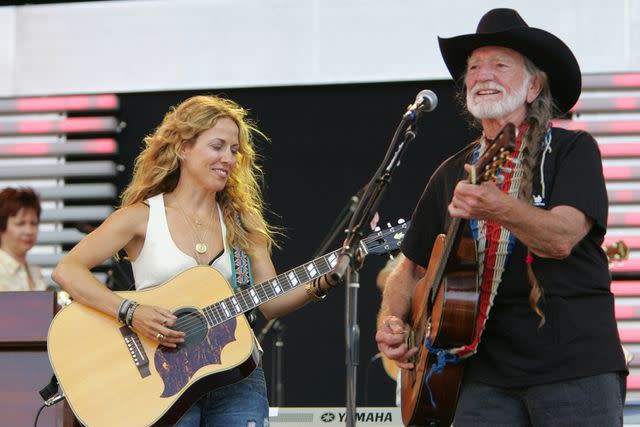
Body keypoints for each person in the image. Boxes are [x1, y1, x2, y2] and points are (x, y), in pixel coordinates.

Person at [376, 8, 627, 426]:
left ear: (533, 86)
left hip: (573, 369)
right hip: (478, 377)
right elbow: (409, 268)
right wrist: (392, 320)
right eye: (473, 67)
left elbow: (562, 238)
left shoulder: (571, 151)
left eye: (499, 64)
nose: (481, 74)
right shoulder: (450, 172)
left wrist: (499, 207)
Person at [52, 95, 336, 426]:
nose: (228, 158)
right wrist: (132, 312)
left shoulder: (243, 223)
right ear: (183, 148)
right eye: (217, 146)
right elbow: (68, 270)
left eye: (234, 150)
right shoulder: (141, 218)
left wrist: (323, 281)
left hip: (236, 376)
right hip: (162, 379)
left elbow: (270, 303)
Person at [0, 187, 47, 291]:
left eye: (33, 223)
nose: (29, 231)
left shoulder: (35, 272)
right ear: (2, 226)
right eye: (20, 223)